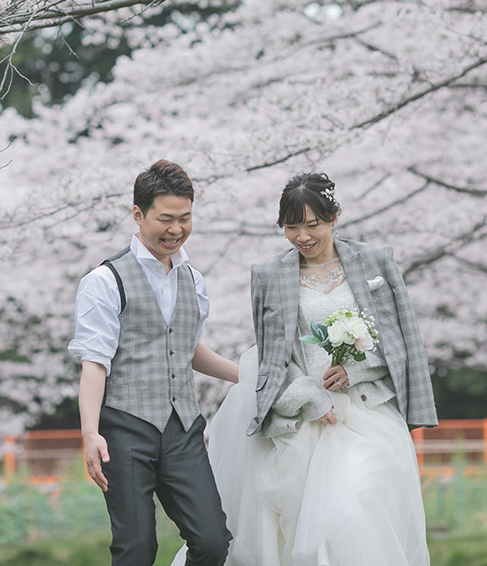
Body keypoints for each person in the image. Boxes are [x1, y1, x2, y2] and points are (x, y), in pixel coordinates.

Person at [173, 171, 437, 566]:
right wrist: (309, 398)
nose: (302, 236)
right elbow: (272, 352)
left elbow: (401, 339)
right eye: (291, 227)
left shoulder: (375, 260)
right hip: (305, 416)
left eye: (312, 225)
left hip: (367, 413)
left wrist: (357, 371)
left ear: (333, 219)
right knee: (298, 526)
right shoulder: (268, 274)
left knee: (359, 499)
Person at [70, 160, 239, 566]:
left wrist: (247, 376)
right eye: (165, 219)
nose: (176, 230)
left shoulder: (192, 278)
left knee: (213, 541)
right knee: (137, 548)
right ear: (138, 214)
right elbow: (95, 363)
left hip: (182, 429)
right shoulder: (104, 281)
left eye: (185, 218)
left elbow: (188, 348)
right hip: (125, 430)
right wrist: (90, 433)